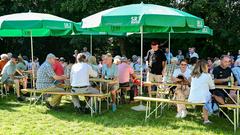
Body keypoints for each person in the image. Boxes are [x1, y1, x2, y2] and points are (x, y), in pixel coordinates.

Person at [188, 60, 215, 124]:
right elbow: (212, 87)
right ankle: (206, 120)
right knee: (209, 97)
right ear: (204, 67)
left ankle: (206, 115)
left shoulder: (193, 76)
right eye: (207, 66)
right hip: (203, 99)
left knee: (206, 97)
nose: (208, 67)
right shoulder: (207, 75)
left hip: (192, 98)